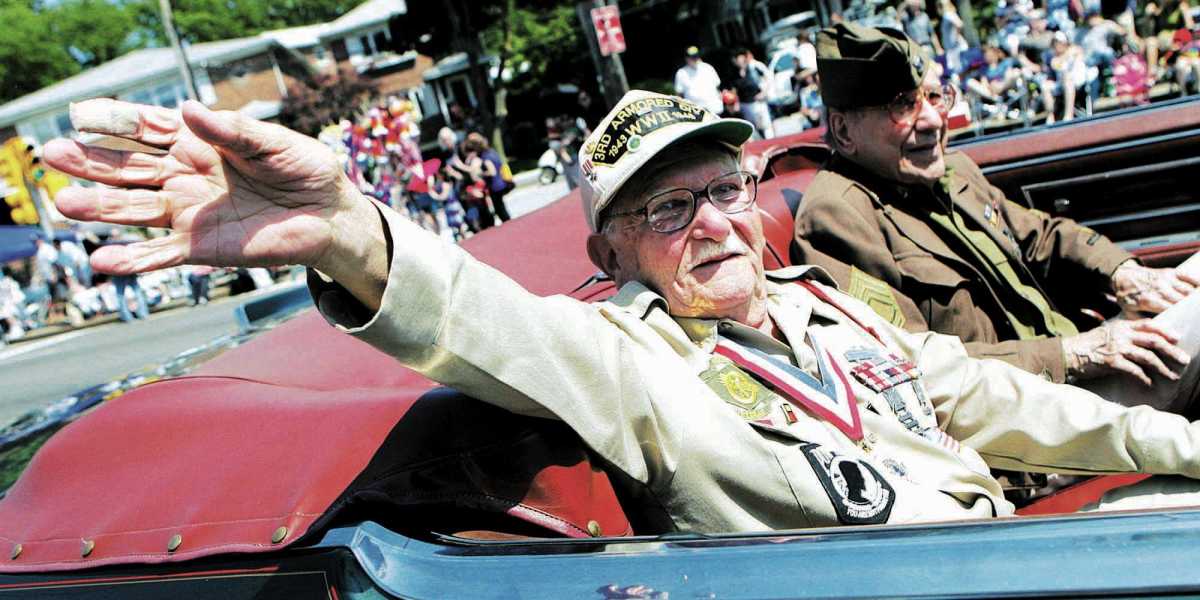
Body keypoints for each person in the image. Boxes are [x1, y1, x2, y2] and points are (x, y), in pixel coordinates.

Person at [43, 93, 1200, 534]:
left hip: (1031, 543)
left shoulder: (830, 312)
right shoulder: (629, 358)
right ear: (614, 253)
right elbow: (491, 321)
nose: (714, 224)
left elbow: (1002, 402)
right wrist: (347, 229)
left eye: (725, 191)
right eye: (668, 209)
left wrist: (1179, 448)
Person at [793, 23, 1200, 415]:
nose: (934, 120)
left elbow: (1041, 236)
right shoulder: (837, 217)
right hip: (1034, 418)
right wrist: (1075, 354)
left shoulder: (952, 171)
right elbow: (914, 366)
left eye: (935, 97)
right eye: (903, 105)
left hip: (1082, 370)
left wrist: (1126, 275)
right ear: (844, 131)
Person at [463, 132, 513, 224]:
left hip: (495, 185)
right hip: (501, 181)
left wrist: (481, 174)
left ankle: (509, 224)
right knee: (501, 207)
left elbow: (492, 171)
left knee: (499, 209)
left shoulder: (485, 157)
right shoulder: (492, 152)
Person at [731, 48, 775, 139]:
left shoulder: (755, 67)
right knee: (753, 130)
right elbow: (734, 90)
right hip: (745, 105)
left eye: (740, 58)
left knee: (766, 126)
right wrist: (736, 103)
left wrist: (764, 92)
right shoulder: (734, 74)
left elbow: (769, 79)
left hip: (758, 102)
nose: (739, 61)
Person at [674, 46, 724, 115]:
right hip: (697, 114)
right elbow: (679, 95)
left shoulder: (708, 67)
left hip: (715, 110)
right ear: (686, 58)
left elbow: (718, 87)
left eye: (696, 56)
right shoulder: (681, 73)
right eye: (692, 57)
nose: (695, 59)